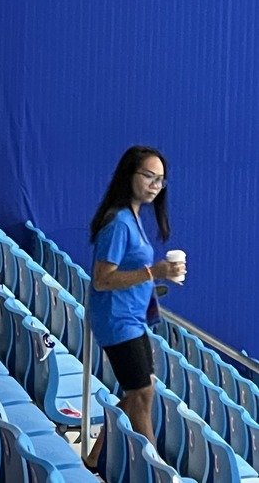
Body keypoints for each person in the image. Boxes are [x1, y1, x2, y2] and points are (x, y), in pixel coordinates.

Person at [84, 145, 186, 471]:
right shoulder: (118, 223)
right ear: (130, 176)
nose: (155, 185)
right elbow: (102, 279)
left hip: (131, 318)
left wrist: (151, 284)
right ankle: (157, 472)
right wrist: (152, 273)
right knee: (142, 392)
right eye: (149, 176)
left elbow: (128, 273)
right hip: (117, 321)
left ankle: (95, 455)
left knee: (141, 389)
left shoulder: (134, 216)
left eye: (160, 180)